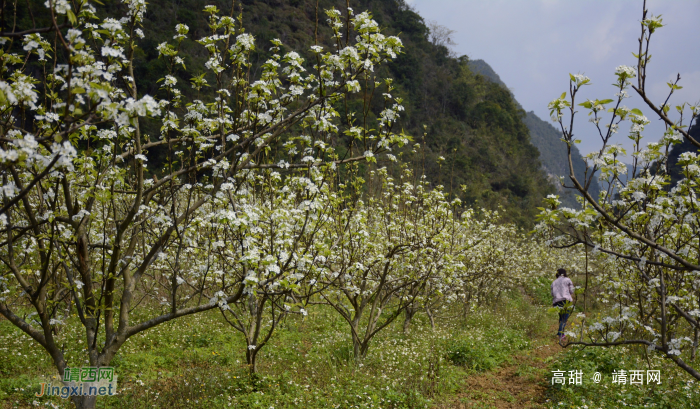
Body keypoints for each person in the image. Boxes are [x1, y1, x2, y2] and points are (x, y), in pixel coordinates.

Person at [551, 268, 575, 341]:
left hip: (556, 302)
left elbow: (552, 294)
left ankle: (562, 333)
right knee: (564, 318)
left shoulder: (554, 282)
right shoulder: (567, 280)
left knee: (561, 318)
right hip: (565, 301)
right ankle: (560, 334)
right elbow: (572, 290)